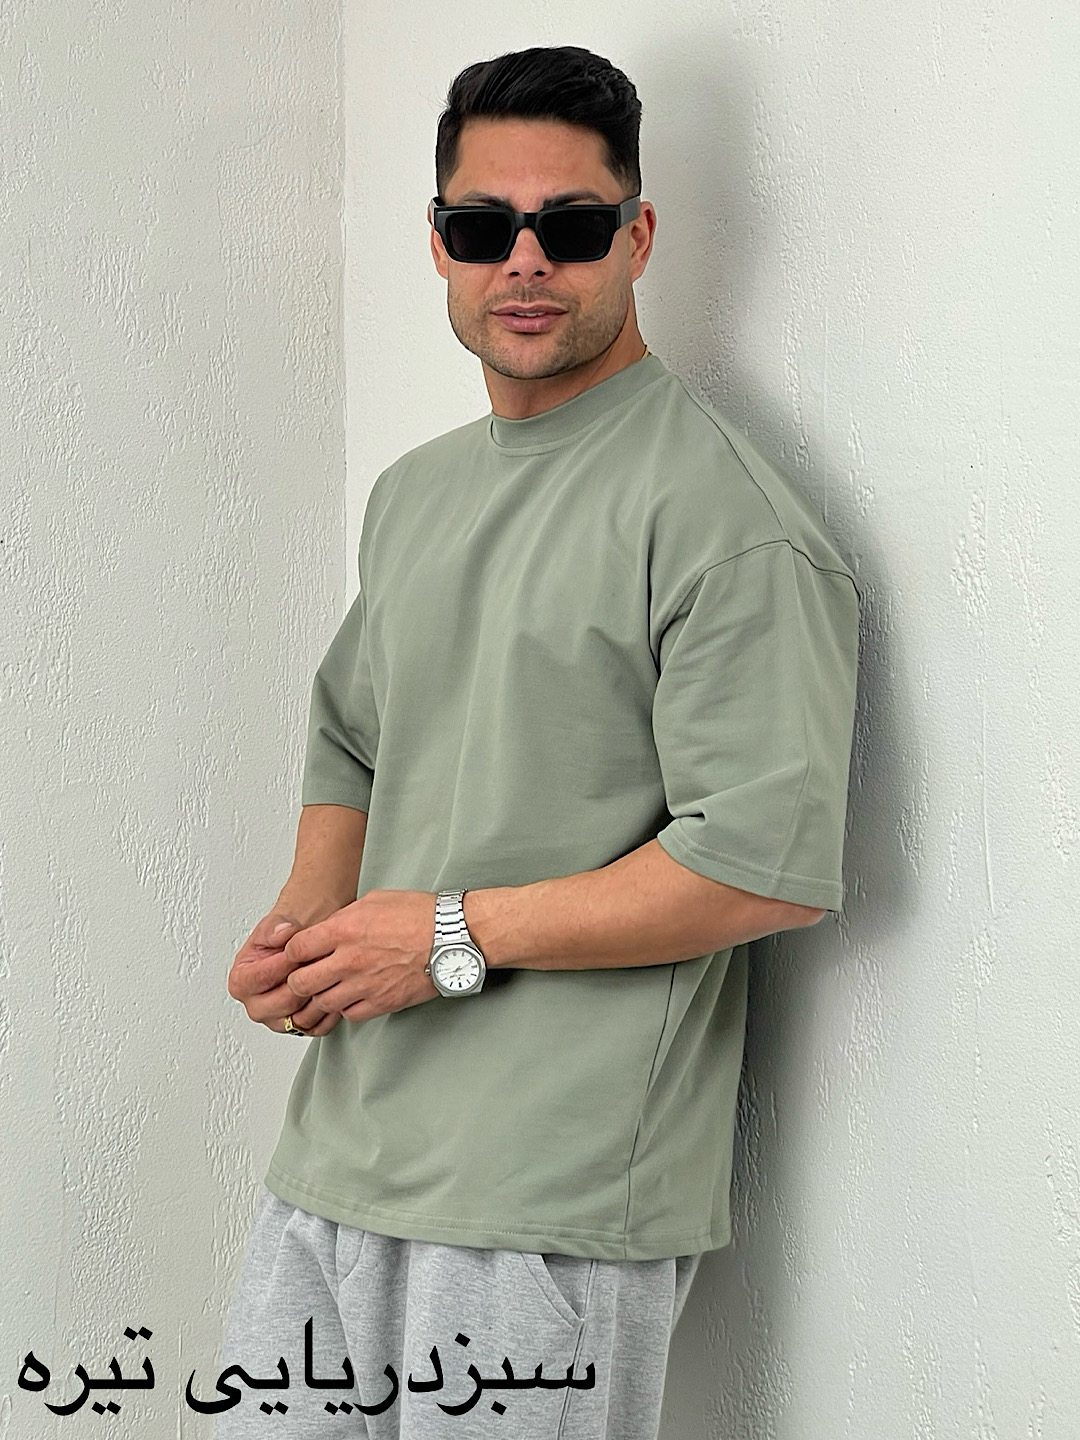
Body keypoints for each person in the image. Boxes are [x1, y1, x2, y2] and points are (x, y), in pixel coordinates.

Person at [217, 44, 861, 1440]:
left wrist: (445, 936)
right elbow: (354, 736)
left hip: (549, 1198)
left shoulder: (724, 516)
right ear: (437, 246)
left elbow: (763, 864)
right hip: (338, 1154)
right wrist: (311, 925)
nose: (524, 261)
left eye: (568, 226)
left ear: (637, 237)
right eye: (481, 226)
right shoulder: (415, 494)